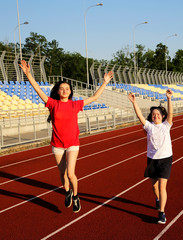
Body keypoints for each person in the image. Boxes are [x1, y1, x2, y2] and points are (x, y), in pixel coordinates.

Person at [19, 60, 113, 213]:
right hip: (57, 145)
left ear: (70, 91)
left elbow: (94, 97)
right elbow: (38, 90)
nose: (64, 90)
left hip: (72, 144)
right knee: (62, 174)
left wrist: (104, 82)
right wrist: (28, 74)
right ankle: (67, 191)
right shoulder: (52, 104)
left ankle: (75, 196)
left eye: (67, 88)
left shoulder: (75, 105)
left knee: (71, 173)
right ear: (58, 91)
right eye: (61, 88)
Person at [128, 89, 173, 224]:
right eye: (153, 114)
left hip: (165, 159)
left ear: (162, 116)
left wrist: (169, 99)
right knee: (154, 187)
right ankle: (158, 199)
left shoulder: (167, 125)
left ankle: (162, 213)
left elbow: (170, 113)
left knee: (162, 187)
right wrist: (134, 102)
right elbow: (139, 115)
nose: (156, 116)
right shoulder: (149, 127)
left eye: (158, 114)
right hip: (152, 159)